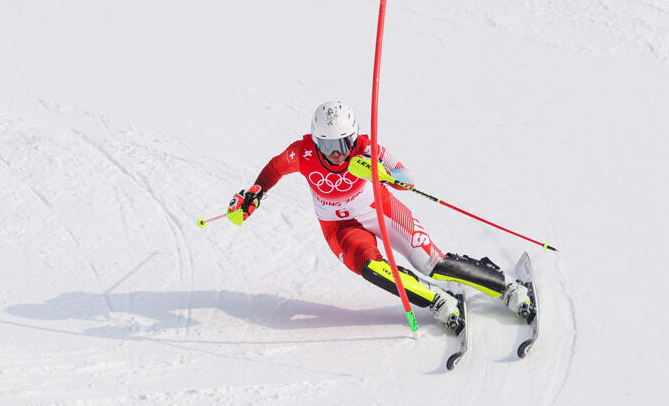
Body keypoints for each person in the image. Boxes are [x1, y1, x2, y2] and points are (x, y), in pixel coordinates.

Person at [227, 101, 534, 333]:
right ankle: (437, 300)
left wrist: (384, 174)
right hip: (340, 227)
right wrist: (255, 193)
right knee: (371, 267)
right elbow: (275, 168)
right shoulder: (302, 152)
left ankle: (508, 286)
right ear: (316, 140)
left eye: (344, 143)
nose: (337, 153)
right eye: (329, 145)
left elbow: (406, 176)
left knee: (432, 264)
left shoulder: (365, 148)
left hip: (380, 210)